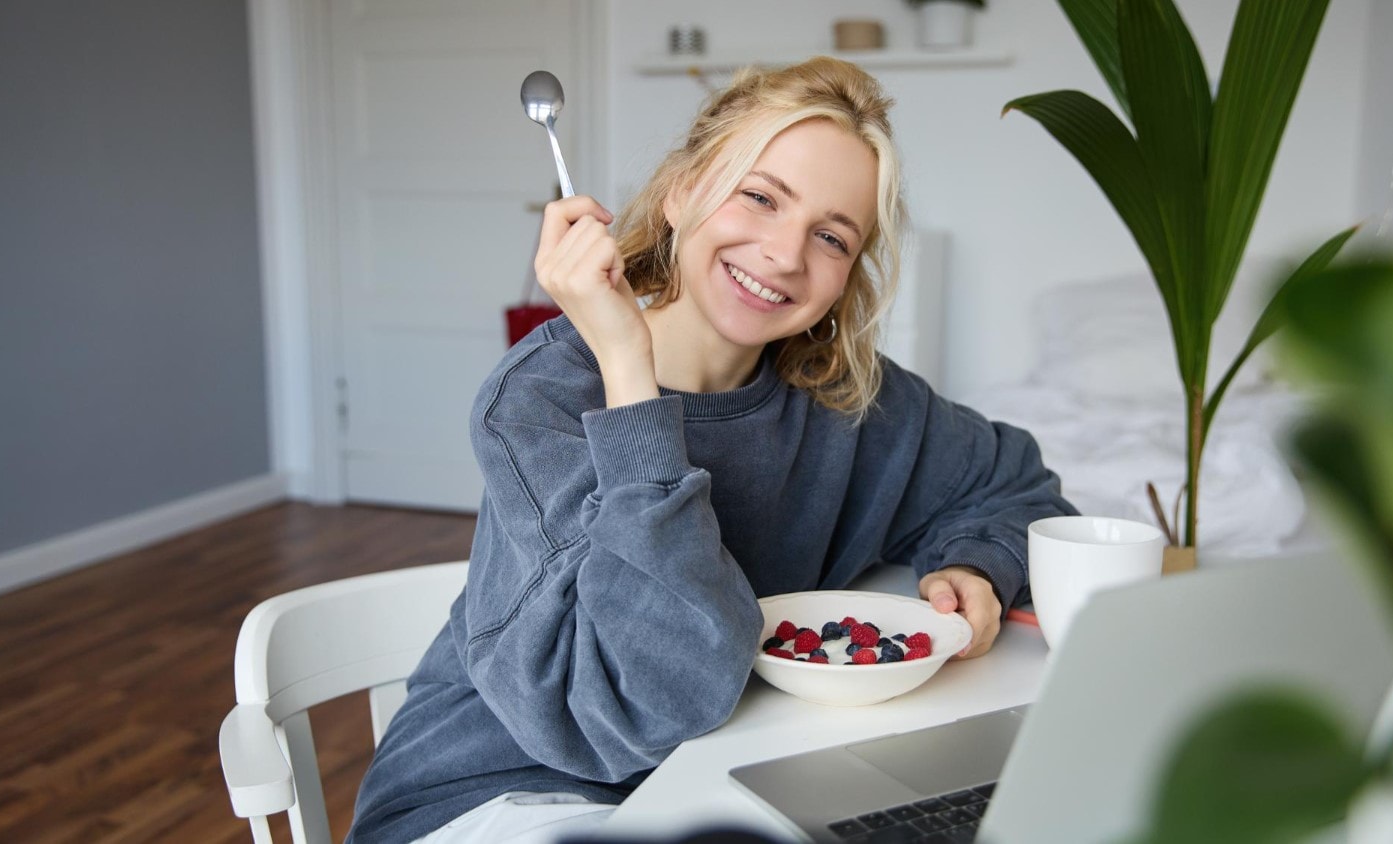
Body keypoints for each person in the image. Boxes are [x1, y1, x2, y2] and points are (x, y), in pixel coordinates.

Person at [346, 56, 1076, 844]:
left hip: (725, 778)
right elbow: (642, 704)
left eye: (831, 236)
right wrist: (628, 370)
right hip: (505, 797)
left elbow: (1018, 488)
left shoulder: (846, 396)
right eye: (760, 197)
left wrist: (975, 564)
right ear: (681, 191)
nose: (785, 255)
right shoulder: (540, 401)